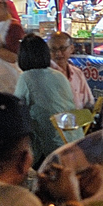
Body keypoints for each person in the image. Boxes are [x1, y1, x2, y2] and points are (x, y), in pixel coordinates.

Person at [16, 34, 80, 165]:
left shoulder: (26, 77)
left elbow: (16, 110)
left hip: (52, 149)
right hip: (74, 142)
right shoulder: (59, 75)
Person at [49, 31, 94, 109]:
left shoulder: (77, 73)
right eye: (53, 49)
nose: (58, 53)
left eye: (62, 48)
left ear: (71, 48)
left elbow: (89, 101)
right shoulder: (47, 75)